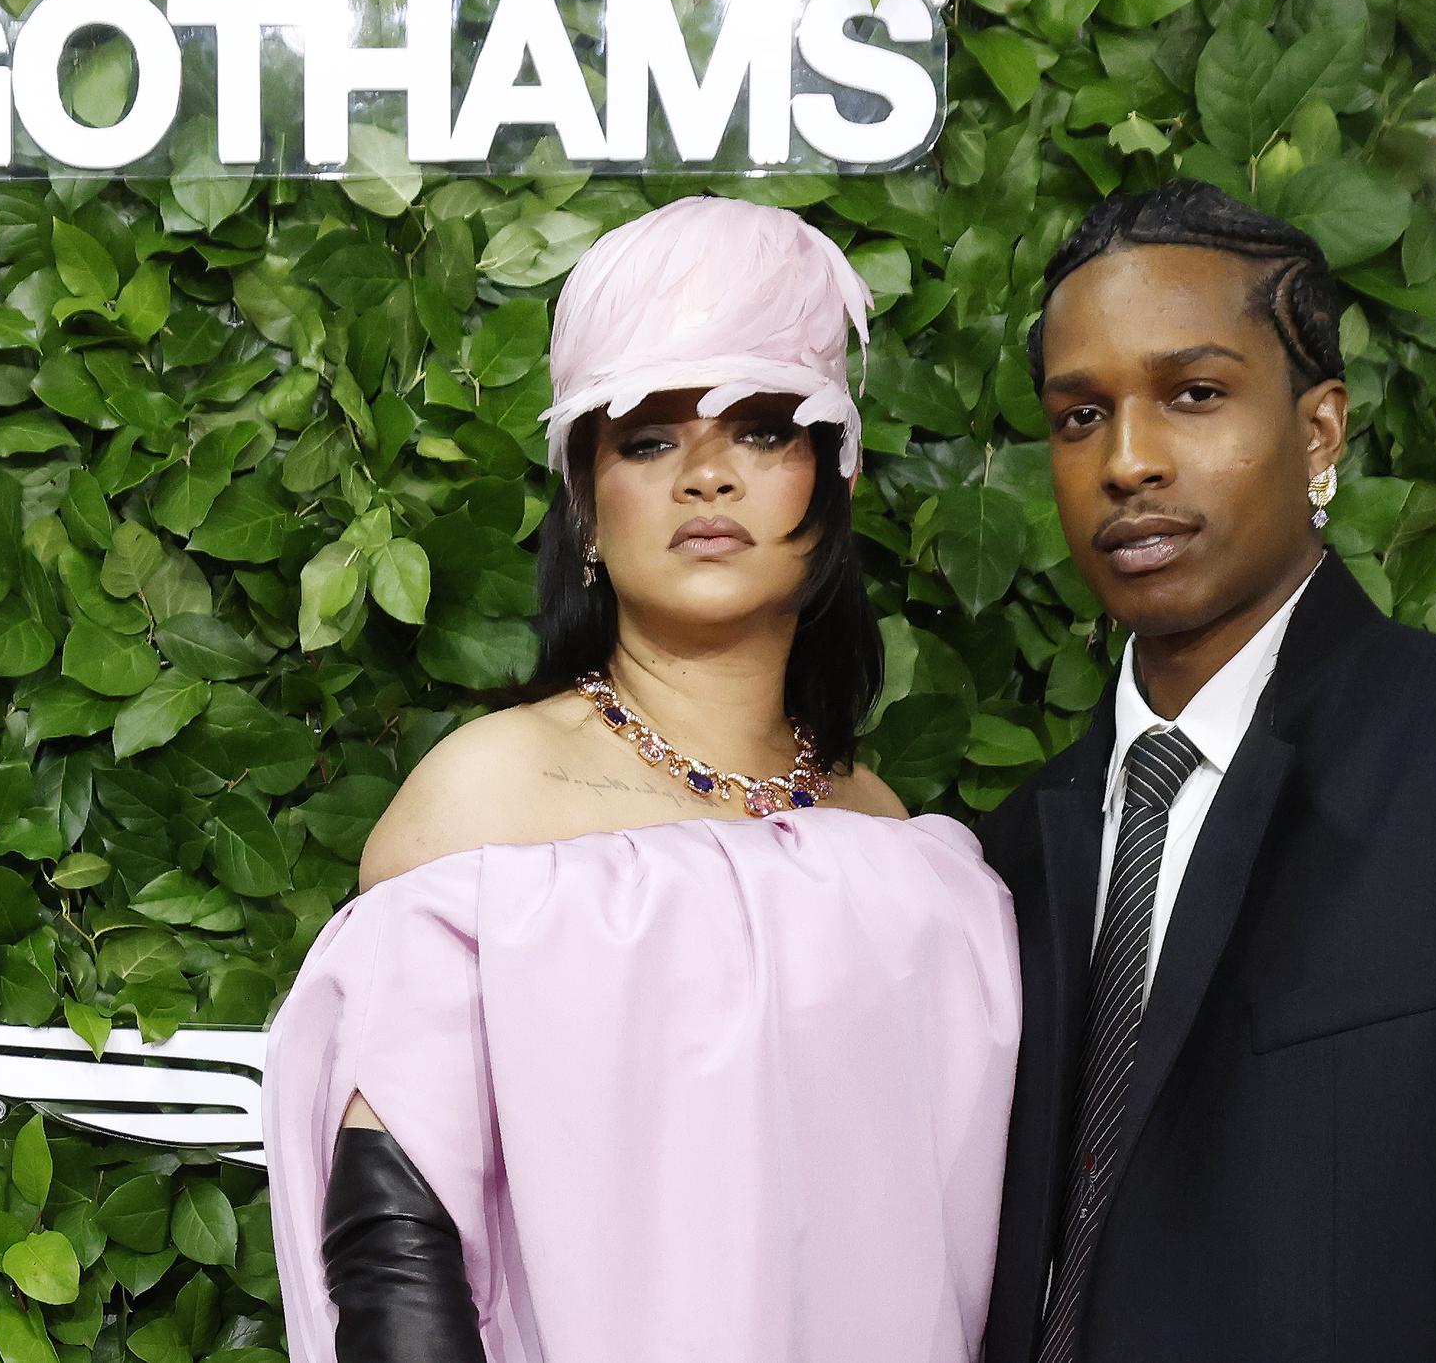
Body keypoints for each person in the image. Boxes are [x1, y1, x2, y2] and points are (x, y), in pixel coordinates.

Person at [261, 195, 1023, 1363]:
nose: (707, 477)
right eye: (650, 439)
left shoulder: (900, 842)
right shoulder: (486, 801)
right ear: (585, 504)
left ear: (838, 479)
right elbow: (397, 1247)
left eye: (765, 430)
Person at [974, 179, 1436, 1363]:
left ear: (1320, 432)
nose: (1128, 462)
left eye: (1194, 395)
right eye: (1079, 417)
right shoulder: (1014, 842)